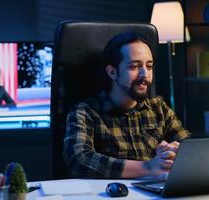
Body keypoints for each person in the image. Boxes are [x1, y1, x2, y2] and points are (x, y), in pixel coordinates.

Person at [63, 32, 191, 179]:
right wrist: (148, 167)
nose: (145, 75)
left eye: (149, 66)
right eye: (134, 66)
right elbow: (79, 160)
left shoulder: (158, 107)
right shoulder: (85, 112)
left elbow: (189, 146)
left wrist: (176, 151)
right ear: (112, 72)